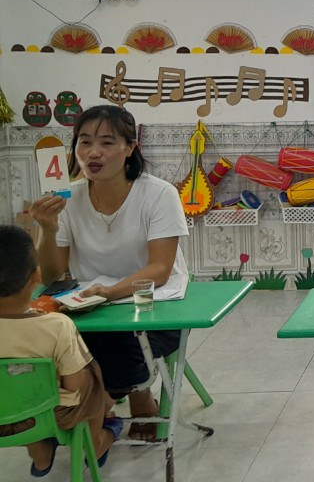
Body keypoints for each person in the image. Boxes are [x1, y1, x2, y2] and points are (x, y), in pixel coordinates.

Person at [28, 105, 189, 440]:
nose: (93, 152)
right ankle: (98, 409)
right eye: (84, 142)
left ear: (130, 148)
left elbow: (160, 269)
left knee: (119, 342)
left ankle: (118, 403)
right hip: (90, 307)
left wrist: (109, 293)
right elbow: (53, 276)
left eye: (106, 142)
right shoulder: (66, 199)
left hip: (154, 305)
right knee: (52, 338)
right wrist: (47, 228)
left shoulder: (160, 193)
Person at [0, 225, 122, 475]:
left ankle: (40, 453)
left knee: (14, 388)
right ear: (36, 276)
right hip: (52, 415)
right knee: (89, 376)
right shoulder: (57, 326)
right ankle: (96, 442)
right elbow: (74, 384)